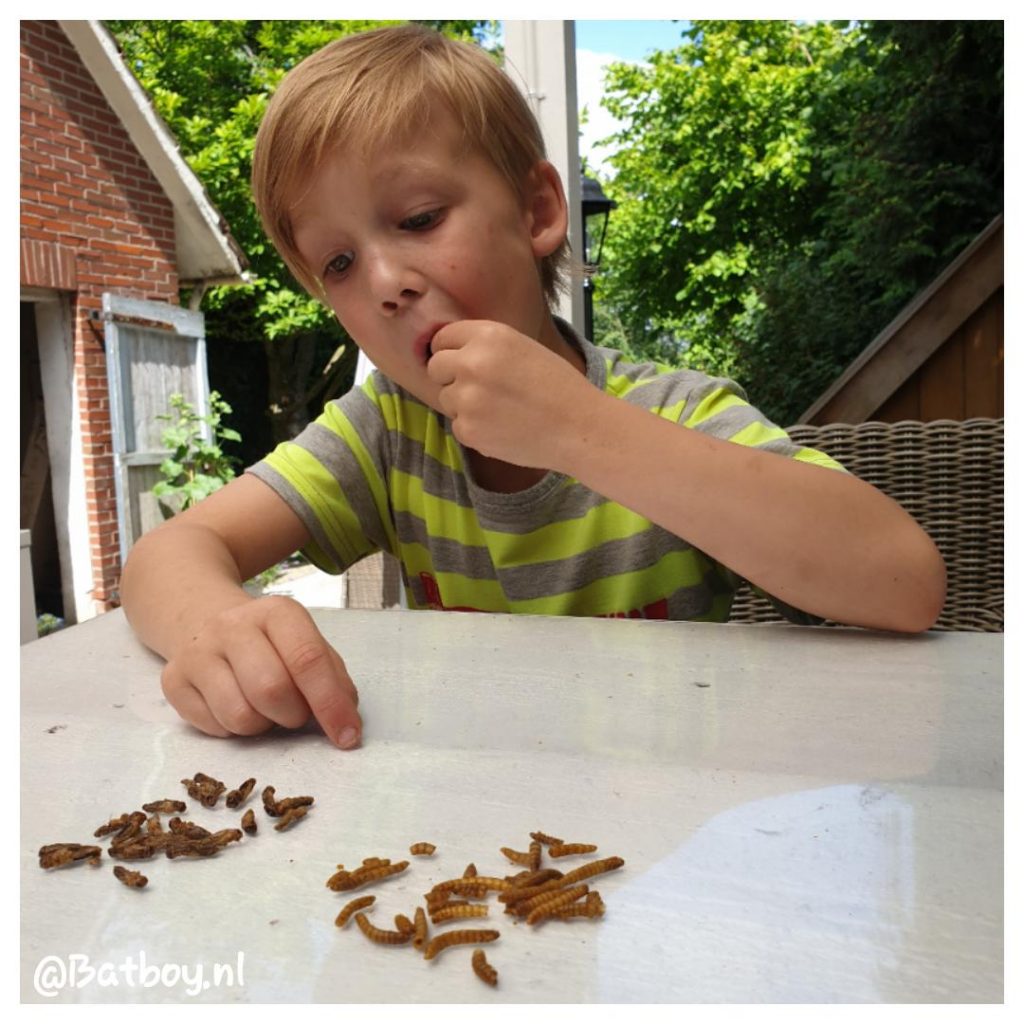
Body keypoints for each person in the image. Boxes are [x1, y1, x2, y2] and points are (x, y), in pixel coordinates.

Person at [120, 24, 946, 749]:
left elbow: (903, 581)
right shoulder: (387, 431)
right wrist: (215, 624)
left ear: (538, 211)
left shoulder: (673, 413)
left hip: (675, 843)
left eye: (417, 219)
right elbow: (167, 555)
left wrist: (584, 431)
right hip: (477, 843)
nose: (384, 282)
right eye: (338, 263)